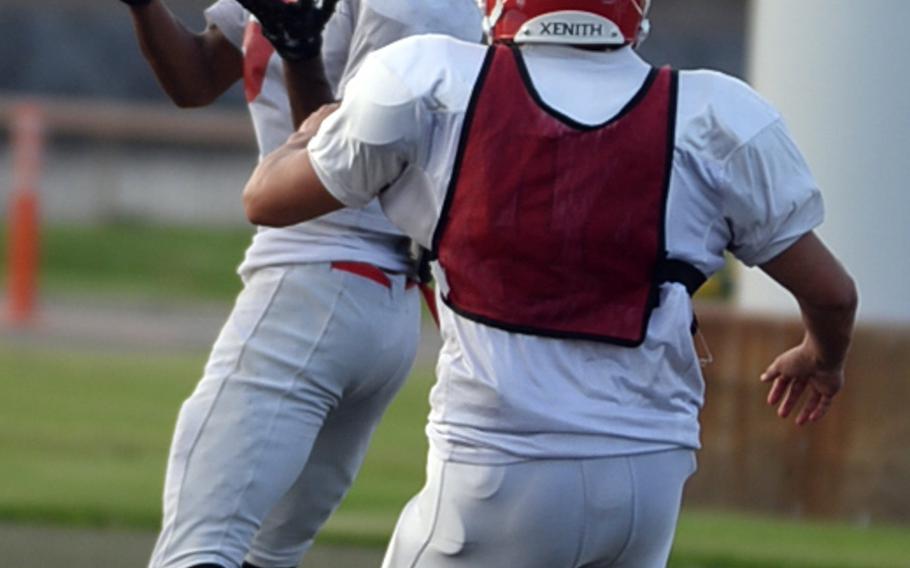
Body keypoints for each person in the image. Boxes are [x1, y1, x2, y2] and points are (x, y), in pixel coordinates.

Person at [242, 0, 859, 566]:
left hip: (499, 467)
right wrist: (821, 357)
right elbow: (832, 295)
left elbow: (266, 201)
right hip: (649, 475)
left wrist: (307, 133)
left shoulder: (430, 78)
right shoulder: (714, 114)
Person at [118, 0, 482, 567]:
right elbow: (196, 78)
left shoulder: (415, 8)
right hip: (369, 302)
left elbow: (344, 173)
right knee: (265, 556)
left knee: (199, 548)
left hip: (316, 281)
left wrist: (302, 55)